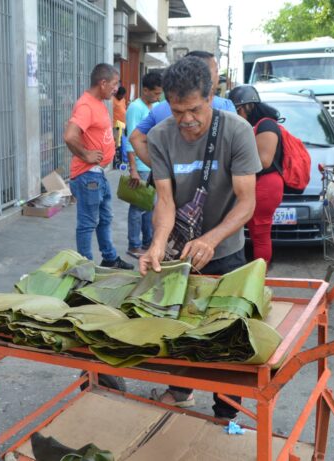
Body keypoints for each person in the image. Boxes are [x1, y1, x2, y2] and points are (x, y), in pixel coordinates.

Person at [138, 57, 261, 419]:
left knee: (226, 335)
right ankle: (181, 389)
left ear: (210, 97)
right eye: (178, 111)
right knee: (178, 325)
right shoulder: (160, 136)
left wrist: (212, 238)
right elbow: (164, 200)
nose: (186, 120)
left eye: (194, 109)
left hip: (225, 251)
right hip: (181, 248)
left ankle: (227, 409)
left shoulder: (237, 131)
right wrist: (157, 244)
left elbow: (247, 200)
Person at [63, 64, 133, 270]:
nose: (116, 88)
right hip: (87, 176)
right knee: (87, 223)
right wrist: (86, 154)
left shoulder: (99, 102)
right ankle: (85, 267)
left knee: (105, 218)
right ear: (102, 83)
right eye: (114, 84)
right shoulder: (86, 105)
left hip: (97, 174)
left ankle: (109, 257)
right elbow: (69, 135)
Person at [129, 50, 236, 168]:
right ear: (204, 74)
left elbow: (135, 138)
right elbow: (235, 148)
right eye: (216, 71)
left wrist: (163, 169)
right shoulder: (224, 106)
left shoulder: (159, 108)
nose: (187, 119)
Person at [229, 85, 284, 267]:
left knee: (260, 233)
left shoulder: (266, 125)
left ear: (248, 106)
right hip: (260, 184)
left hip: (266, 185)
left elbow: (264, 161)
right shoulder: (257, 125)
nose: (237, 115)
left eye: (238, 110)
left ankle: (260, 275)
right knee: (254, 231)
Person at [125, 71, 163, 259]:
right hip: (139, 165)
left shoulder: (155, 106)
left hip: (151, 164)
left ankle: (147, 242)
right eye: (155, 93)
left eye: (159, 94)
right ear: (145, 90)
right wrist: (133, 169)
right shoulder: (135, 108)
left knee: (149, 206)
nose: (157, 97)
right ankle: (134, 245)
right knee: (137, 207)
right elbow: (130, 138)